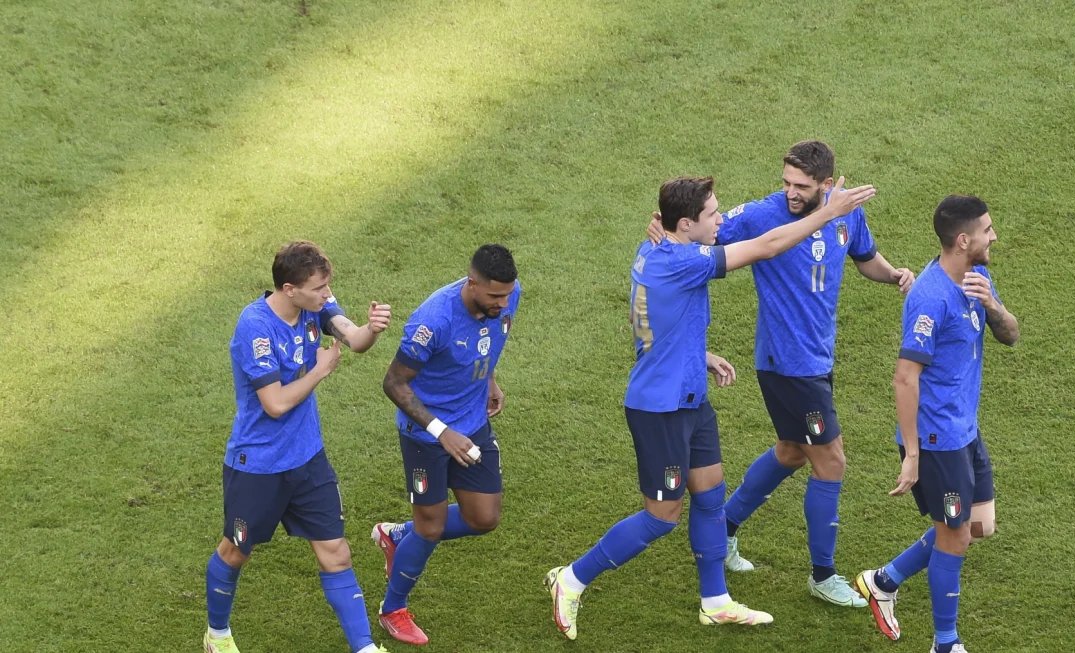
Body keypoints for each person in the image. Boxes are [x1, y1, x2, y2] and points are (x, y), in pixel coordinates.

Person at [545, 174, 877, 640]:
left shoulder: (656, 249)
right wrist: (828, 214)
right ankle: (572, 578)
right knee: (660, 518)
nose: (721, 219)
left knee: (709, 497)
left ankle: (716, 601)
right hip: (660, 410)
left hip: (690, 399)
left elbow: (649, 318)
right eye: (713, 214)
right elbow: (765, 246)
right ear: (685, 224)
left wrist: (697, 354)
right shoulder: (682, 260)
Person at [646, 140, 914, 607]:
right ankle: (823, 575)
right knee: (831, 461)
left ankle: (725, 528)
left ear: (826, 185)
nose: (791, 192)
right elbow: (700, 232)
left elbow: (864, 256)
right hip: (786, 365)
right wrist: (663, 231)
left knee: (792, 452)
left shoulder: (846, 213)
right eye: (786, 182)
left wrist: (893, 274)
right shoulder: (762, 215)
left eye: (802, 186)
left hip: (817, 359)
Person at [205, 241, 393, 653]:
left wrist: (372, 329)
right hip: (257, 465)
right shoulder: (255, 327)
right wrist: (321, 371)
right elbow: (274, 404)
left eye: (327, 285)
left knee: (336, 552)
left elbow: (353, 338)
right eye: (319, 288)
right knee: (235, 551)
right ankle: (217, 635)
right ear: (290, 289)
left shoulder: (314, 305)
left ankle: (364, 648)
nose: (327, 294)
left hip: (308, 459)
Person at [853, 195, 1020, 652]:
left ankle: (883, 581)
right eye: (987, 230)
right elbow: (905, 378)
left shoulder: (976, 277)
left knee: (979, 525)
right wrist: (912, 454)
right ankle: (945, 644)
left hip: (965, 429)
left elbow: (1011, 335)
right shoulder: (929, 299)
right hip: (936, 438)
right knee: (956, 535)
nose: (994, 236)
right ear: (963, 240)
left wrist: (992, 306)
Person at [370, 244, 521, 646]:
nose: (504, 303)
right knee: (431, 526)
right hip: (425, 436)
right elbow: (393, 383)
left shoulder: (507, 295)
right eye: (495, 296)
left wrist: (489, 380)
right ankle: (392, 609)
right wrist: (441, 431)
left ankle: (398, 536)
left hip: (473, 424)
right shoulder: (433, 321)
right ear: (472, 284)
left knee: (484, 518)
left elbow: (489, 340)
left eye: (507, 294)